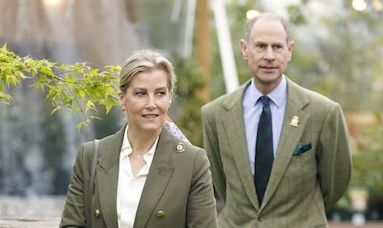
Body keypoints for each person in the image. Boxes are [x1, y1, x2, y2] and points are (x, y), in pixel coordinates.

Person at [201, 12, 352, 228]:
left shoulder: (324, 113)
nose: (269, 55)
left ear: (289, 50)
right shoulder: (215, 115)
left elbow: (335, 184)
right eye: (261, 46)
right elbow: (221, 184)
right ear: (244, 49)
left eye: (277, 47)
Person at [60, 50, 217, 228]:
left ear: (170, 98)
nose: (151, 104)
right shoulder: (90, 156)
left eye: (160, 93)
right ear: (122, 99)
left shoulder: (193, 162)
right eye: (141, 93)